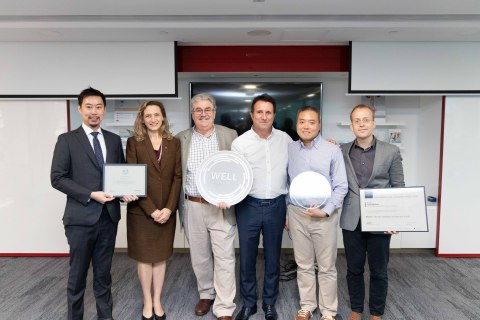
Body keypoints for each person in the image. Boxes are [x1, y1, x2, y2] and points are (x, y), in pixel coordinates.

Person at [51, 87, 138, 320]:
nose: (94, 112)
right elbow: (57, 178)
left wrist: (123, 193)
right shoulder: (67, 140)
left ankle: (105, 316)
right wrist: (91, 194)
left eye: (98, 107)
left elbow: (117, 174)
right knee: (77, 276)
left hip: (108, 218)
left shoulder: (111, 139)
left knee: (104, 274)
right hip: (80, 219)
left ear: (104, 110)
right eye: (89, 107)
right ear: (80, 109)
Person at [176, 93, 238, 320]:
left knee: (224, 257)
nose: (203, 114)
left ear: (214, 111)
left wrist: (232, 196)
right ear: (192, 113)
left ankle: (224, 306)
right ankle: (206, 293)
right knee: (200, 256)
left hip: (221, 207)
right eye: (198, 110)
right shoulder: (180, 138)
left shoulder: (230, 135)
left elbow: (239, 169)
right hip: (193, 205)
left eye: (207, 109)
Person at [340, 104, 405, 320]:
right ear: (351, 126)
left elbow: (398, 187)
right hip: (352, 219)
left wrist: (396, 220)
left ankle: (376, 313)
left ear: (373, 123)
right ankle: (356, 309)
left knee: (379, 270)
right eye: (357, 120)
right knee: (354, 269)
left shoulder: (391, 151)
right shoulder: (342, 151)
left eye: (366, 119)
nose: (361, 124)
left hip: (381, 219)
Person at [231, 93, 292, 320]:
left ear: (274, 115)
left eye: (268, 112)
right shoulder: (240, 143)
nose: (264, 116)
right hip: (248, 206)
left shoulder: (286, 140)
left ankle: (269, 303)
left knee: (273, 258)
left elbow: (293, 171)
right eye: (259, 112)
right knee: (246, 258)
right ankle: (248, 303)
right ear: (251, 115)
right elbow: (235, 177)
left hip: (277, 205)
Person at [287, 106, 348, 320]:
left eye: (311, 122)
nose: (306, 126)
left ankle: (329, 311)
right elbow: (288, 183)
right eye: (302, 121)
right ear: (296, 125)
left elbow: (341, 186)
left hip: (323, 216)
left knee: (326, 266)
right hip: (297, 214)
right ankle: (307, 306)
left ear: (319, 125)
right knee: (303, 265)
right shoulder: (290, 149)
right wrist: (288, 212)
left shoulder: (332, 150)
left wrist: (327, 211)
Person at [126, 101, 182, 320]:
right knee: (144, 258)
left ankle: (157, 299)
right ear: (142, 118)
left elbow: (177, 177)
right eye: (148, 115)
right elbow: (132, 177)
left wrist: (169, 208)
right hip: (141, 212)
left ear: (163, 117)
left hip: (166, 210)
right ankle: (147, 302)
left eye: (156, 115)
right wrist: (151, 210)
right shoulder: (134, 143)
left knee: (160, 257)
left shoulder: (174, 142)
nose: (152, 119)